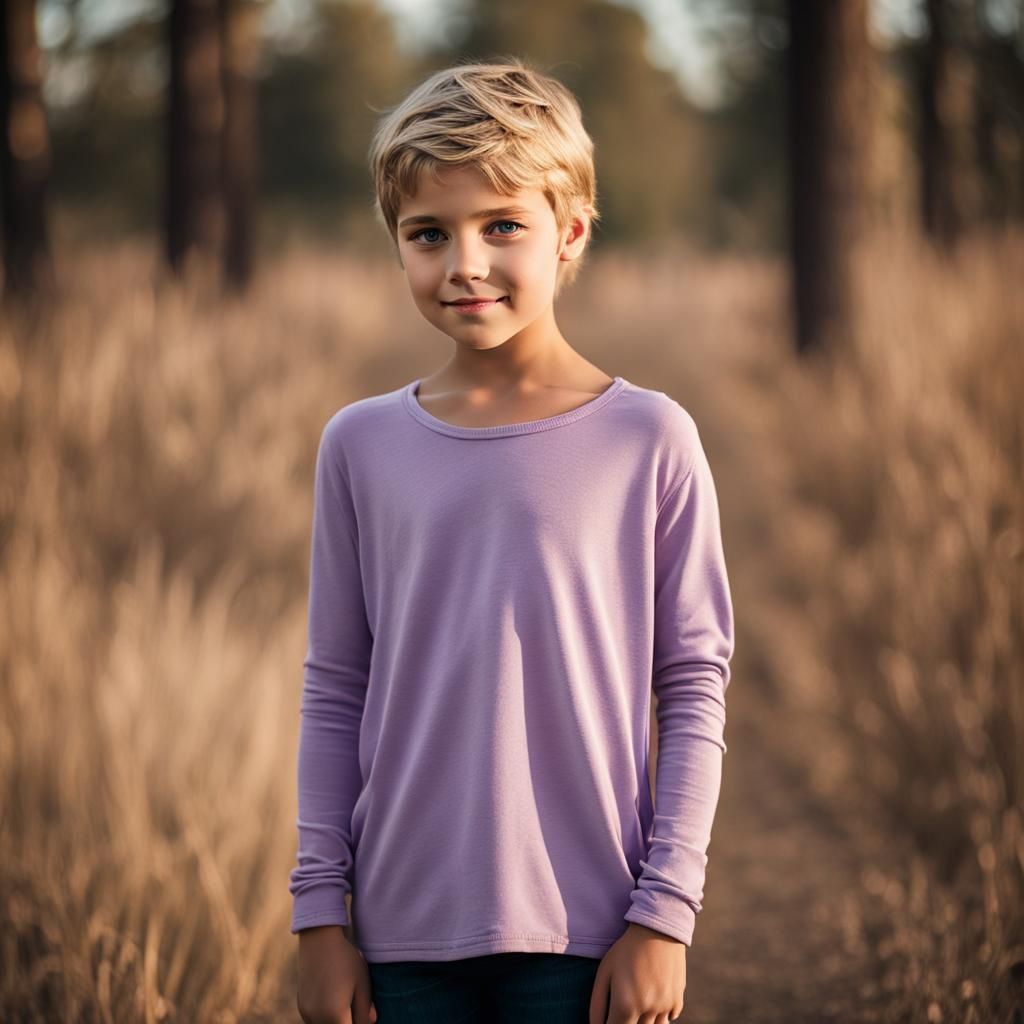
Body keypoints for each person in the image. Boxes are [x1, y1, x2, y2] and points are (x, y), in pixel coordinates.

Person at [289, 56, 735, 1024]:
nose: (465, 265)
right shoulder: (359, 443)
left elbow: (692, 682)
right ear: (395, 243)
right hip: (401, 931)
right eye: (427, 234)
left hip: (586, 930)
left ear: (569, 231)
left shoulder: (647, 436)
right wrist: (319, 914)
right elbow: (334, 685)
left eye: (501, 225)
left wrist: (662, 916)